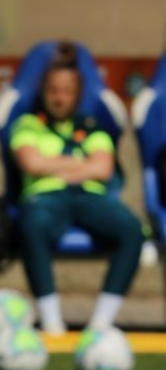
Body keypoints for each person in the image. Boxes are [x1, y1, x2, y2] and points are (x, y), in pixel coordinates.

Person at [11, 41, 143, 337]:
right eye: (53, 90)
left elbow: (103, 169)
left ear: (77, 94)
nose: (59, 98)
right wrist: (77, 164)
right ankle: (51, 322)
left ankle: (101, 323)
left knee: (132, 230)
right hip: (44, 198)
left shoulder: (92, 126)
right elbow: (31, 164)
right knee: (32, 226)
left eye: (66, 91)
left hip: (89, 198)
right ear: (44, 91)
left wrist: (53, 162)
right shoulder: (27, 125)